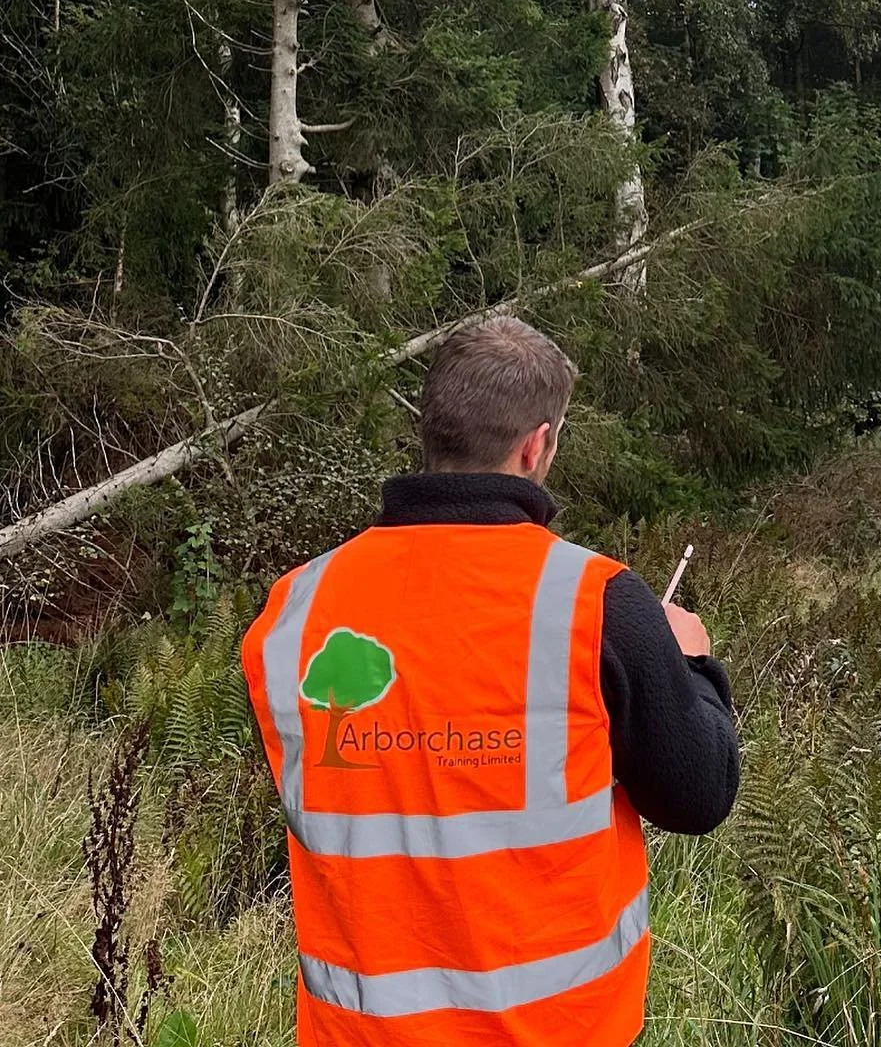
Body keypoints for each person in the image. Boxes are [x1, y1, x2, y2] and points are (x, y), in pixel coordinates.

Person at [241, 317, 739, 1046]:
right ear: (537, 445)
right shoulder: (595, 603)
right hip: (558, 1032)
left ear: (432, 430)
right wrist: (690, 662)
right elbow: (699, 795)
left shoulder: (293, 610)